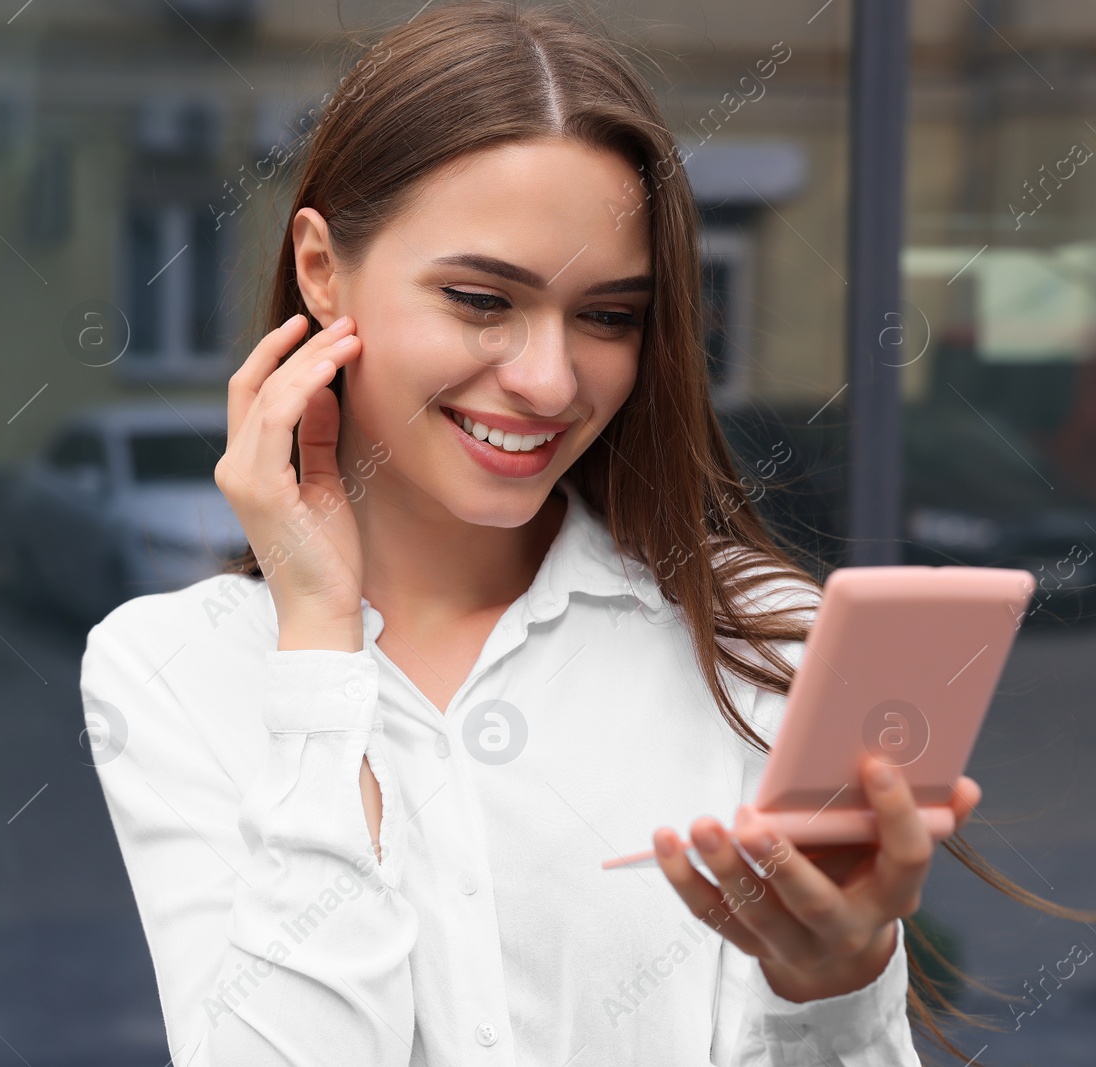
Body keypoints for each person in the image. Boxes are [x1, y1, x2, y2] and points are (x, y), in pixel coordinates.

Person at [79, 4, 1092, 1064]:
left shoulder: (763, 645)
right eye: (480, 298)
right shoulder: (169, 670)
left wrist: (832, 985)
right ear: (322, 268)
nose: (551, 380)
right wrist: (321, 646)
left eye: (608, 316)